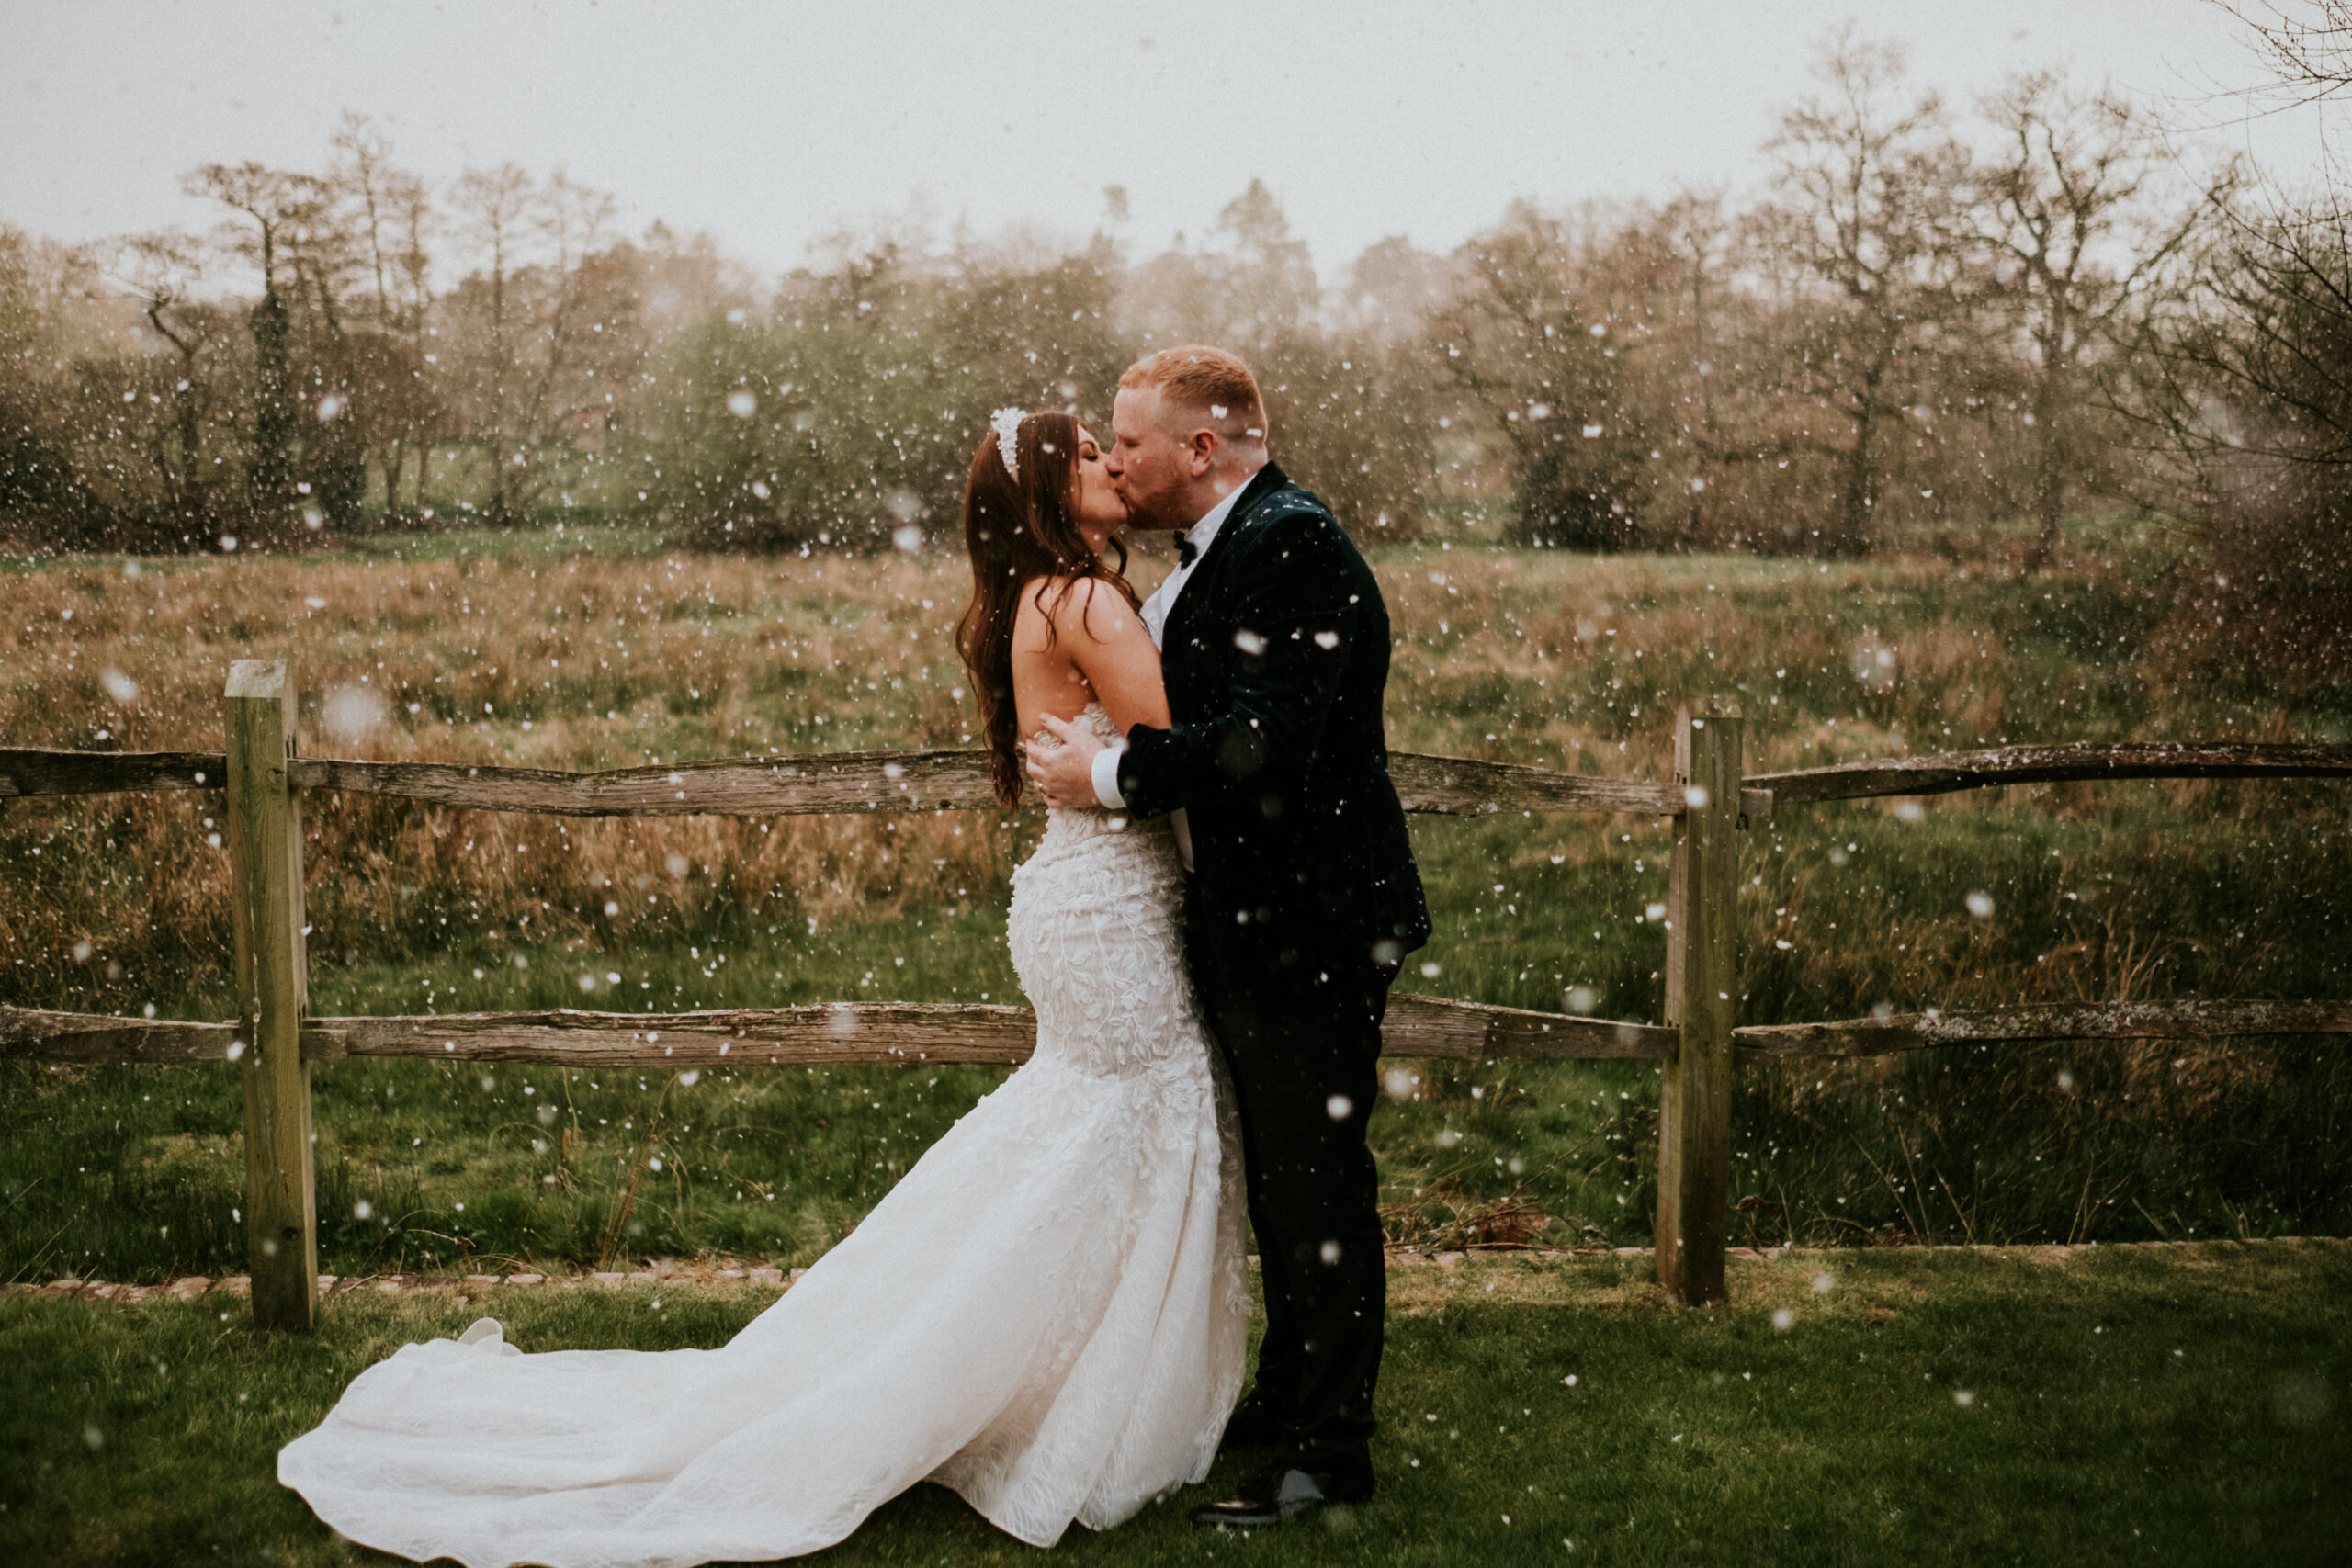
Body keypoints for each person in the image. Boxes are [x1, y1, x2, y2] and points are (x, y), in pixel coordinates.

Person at [277, 409, 1250, 1566]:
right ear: (1045, 490)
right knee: (1133, 1118)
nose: (1108, 464)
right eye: (1084, 454)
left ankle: (992, 1371)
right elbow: (1168, 749)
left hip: (1077, 897)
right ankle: (1022, 1393)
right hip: (1111, 906)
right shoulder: (1080, 599)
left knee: (1087, 1129)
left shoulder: (1030, 598)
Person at [1028, 345, 1430, 1529]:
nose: (1115, 460)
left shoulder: (1293, 542)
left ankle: (1326, 1460)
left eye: (1131, 441)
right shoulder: (1227, 549)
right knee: (1283, 1181)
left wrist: (1109, 772)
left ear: (1202, 448)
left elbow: (1262, 743)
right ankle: (1289, 1400)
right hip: (1258, 918)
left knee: (1316, 1189)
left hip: (1312, 921)